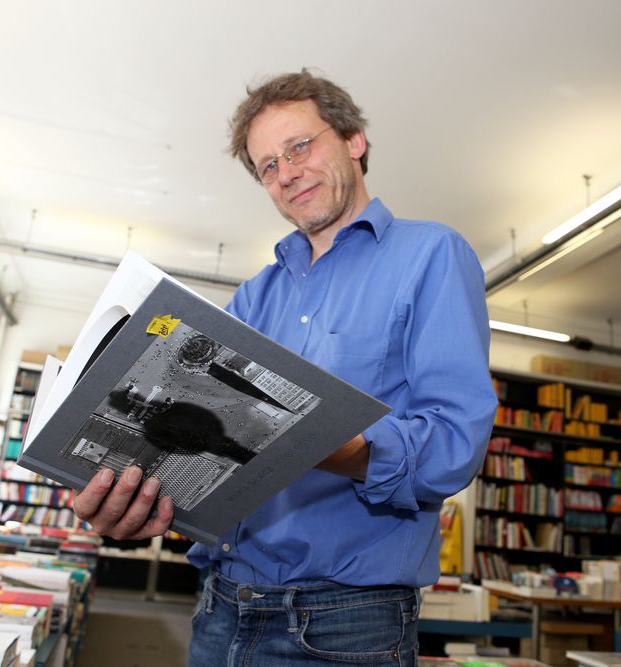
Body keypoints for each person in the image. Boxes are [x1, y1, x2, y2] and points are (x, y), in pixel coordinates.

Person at [72, 70, 497, 666]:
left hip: (345, 623)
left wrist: (321, 443)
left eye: (299, 147)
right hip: (220, 603)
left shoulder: (431, 255)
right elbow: (211, 452)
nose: (286, 173)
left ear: (354, 140)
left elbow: (454, 445)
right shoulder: (254, 296)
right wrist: (136, 499)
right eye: (267, 166)